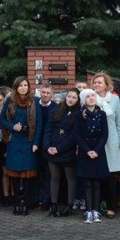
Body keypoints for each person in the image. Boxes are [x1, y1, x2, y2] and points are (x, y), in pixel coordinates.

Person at [0, 76, 43, 216]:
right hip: (14, 141)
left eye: (25, 85)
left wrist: (36, 143)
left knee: (28, 174)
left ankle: (26, 203)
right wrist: (13, 127)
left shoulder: (35, 101)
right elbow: (1, 120)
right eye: (20, 85)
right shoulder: (10, 101)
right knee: (15, 174)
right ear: (16, 87)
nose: (23, 88)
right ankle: (17, 202)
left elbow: (40, 124)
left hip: (29, 142)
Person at [73, 89, 110, 223]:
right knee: (87, 183)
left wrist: (96, 150)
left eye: (93, 95)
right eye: (87, 96)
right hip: (85, 152)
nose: (91, 98)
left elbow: (105, 134)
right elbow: (76, 134)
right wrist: (88, 150)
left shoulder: (102, 114)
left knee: (97, 183)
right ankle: (88, 211)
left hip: (98, 152)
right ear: (83, 99)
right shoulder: (78, 115)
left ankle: (96, 210)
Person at [92, 72, 120, 218]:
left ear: (106, 85)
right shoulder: (90, 98)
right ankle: (97, 205)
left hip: (111, 141)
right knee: (97, 175)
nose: (96, 85)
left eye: (99, 82)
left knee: (111, 176)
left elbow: (119, 122)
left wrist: (119, 141)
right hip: (95, 141)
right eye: (95, 82)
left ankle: (111, 207)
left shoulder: (115, 99)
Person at [43, 88, 79, 217]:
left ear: (78, 100)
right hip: (51, 150)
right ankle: (54, 205)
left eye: (74, 97)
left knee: (70, 178)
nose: (71, 99)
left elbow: (74, 136)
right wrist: (47, 146)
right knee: (54, 178)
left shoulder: (78, 114)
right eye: (69, 96)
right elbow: (48, 128)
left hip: (66, 151)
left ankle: (69, 206)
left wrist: (59, 149)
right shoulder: (56, 109)